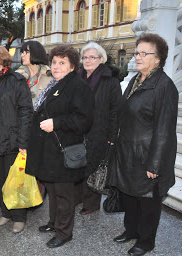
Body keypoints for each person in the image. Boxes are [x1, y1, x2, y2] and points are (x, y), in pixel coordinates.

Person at [108, 34, 178, 256]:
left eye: (144, 53)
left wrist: (155, 164)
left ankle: (146, 241)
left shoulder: (164, 87)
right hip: (129, 151)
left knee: (148, 201)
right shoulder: (137, 80)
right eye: (136, 52)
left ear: (158, 59)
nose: (137, 56)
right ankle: (131, 230)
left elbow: (164, 129)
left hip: (148, 155)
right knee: (129, 195)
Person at [26, 44, 94, 248]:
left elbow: (84, 120)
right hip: (50, 149)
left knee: (64, 193)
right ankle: (54, 223)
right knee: (53, 190)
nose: (56, 66)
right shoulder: (54, 84)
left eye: (62, 63)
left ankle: (64, 233)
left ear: (72, 66)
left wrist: (57, 122)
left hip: (64, 149)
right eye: (54, 62)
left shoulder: (78, 87)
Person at [0, 46, 33, 233]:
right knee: (1, 180)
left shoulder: (16, 80)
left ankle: (19, 217)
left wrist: (23, 141)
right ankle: (6, 213)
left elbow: (26, 111)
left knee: (16, 180)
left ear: (2, 59)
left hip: (12, 139)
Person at [76, 42, 122, 215]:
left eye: (92, 57)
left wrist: (112, 136)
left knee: (93, 166)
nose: (87, 60)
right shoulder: (78, 77)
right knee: (78, 164)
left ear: (101, 59)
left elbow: (115, 110)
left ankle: (91, 203)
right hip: (79, 130)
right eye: (85, 57)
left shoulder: (110, 80)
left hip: (100, 131)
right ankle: (79, 197)